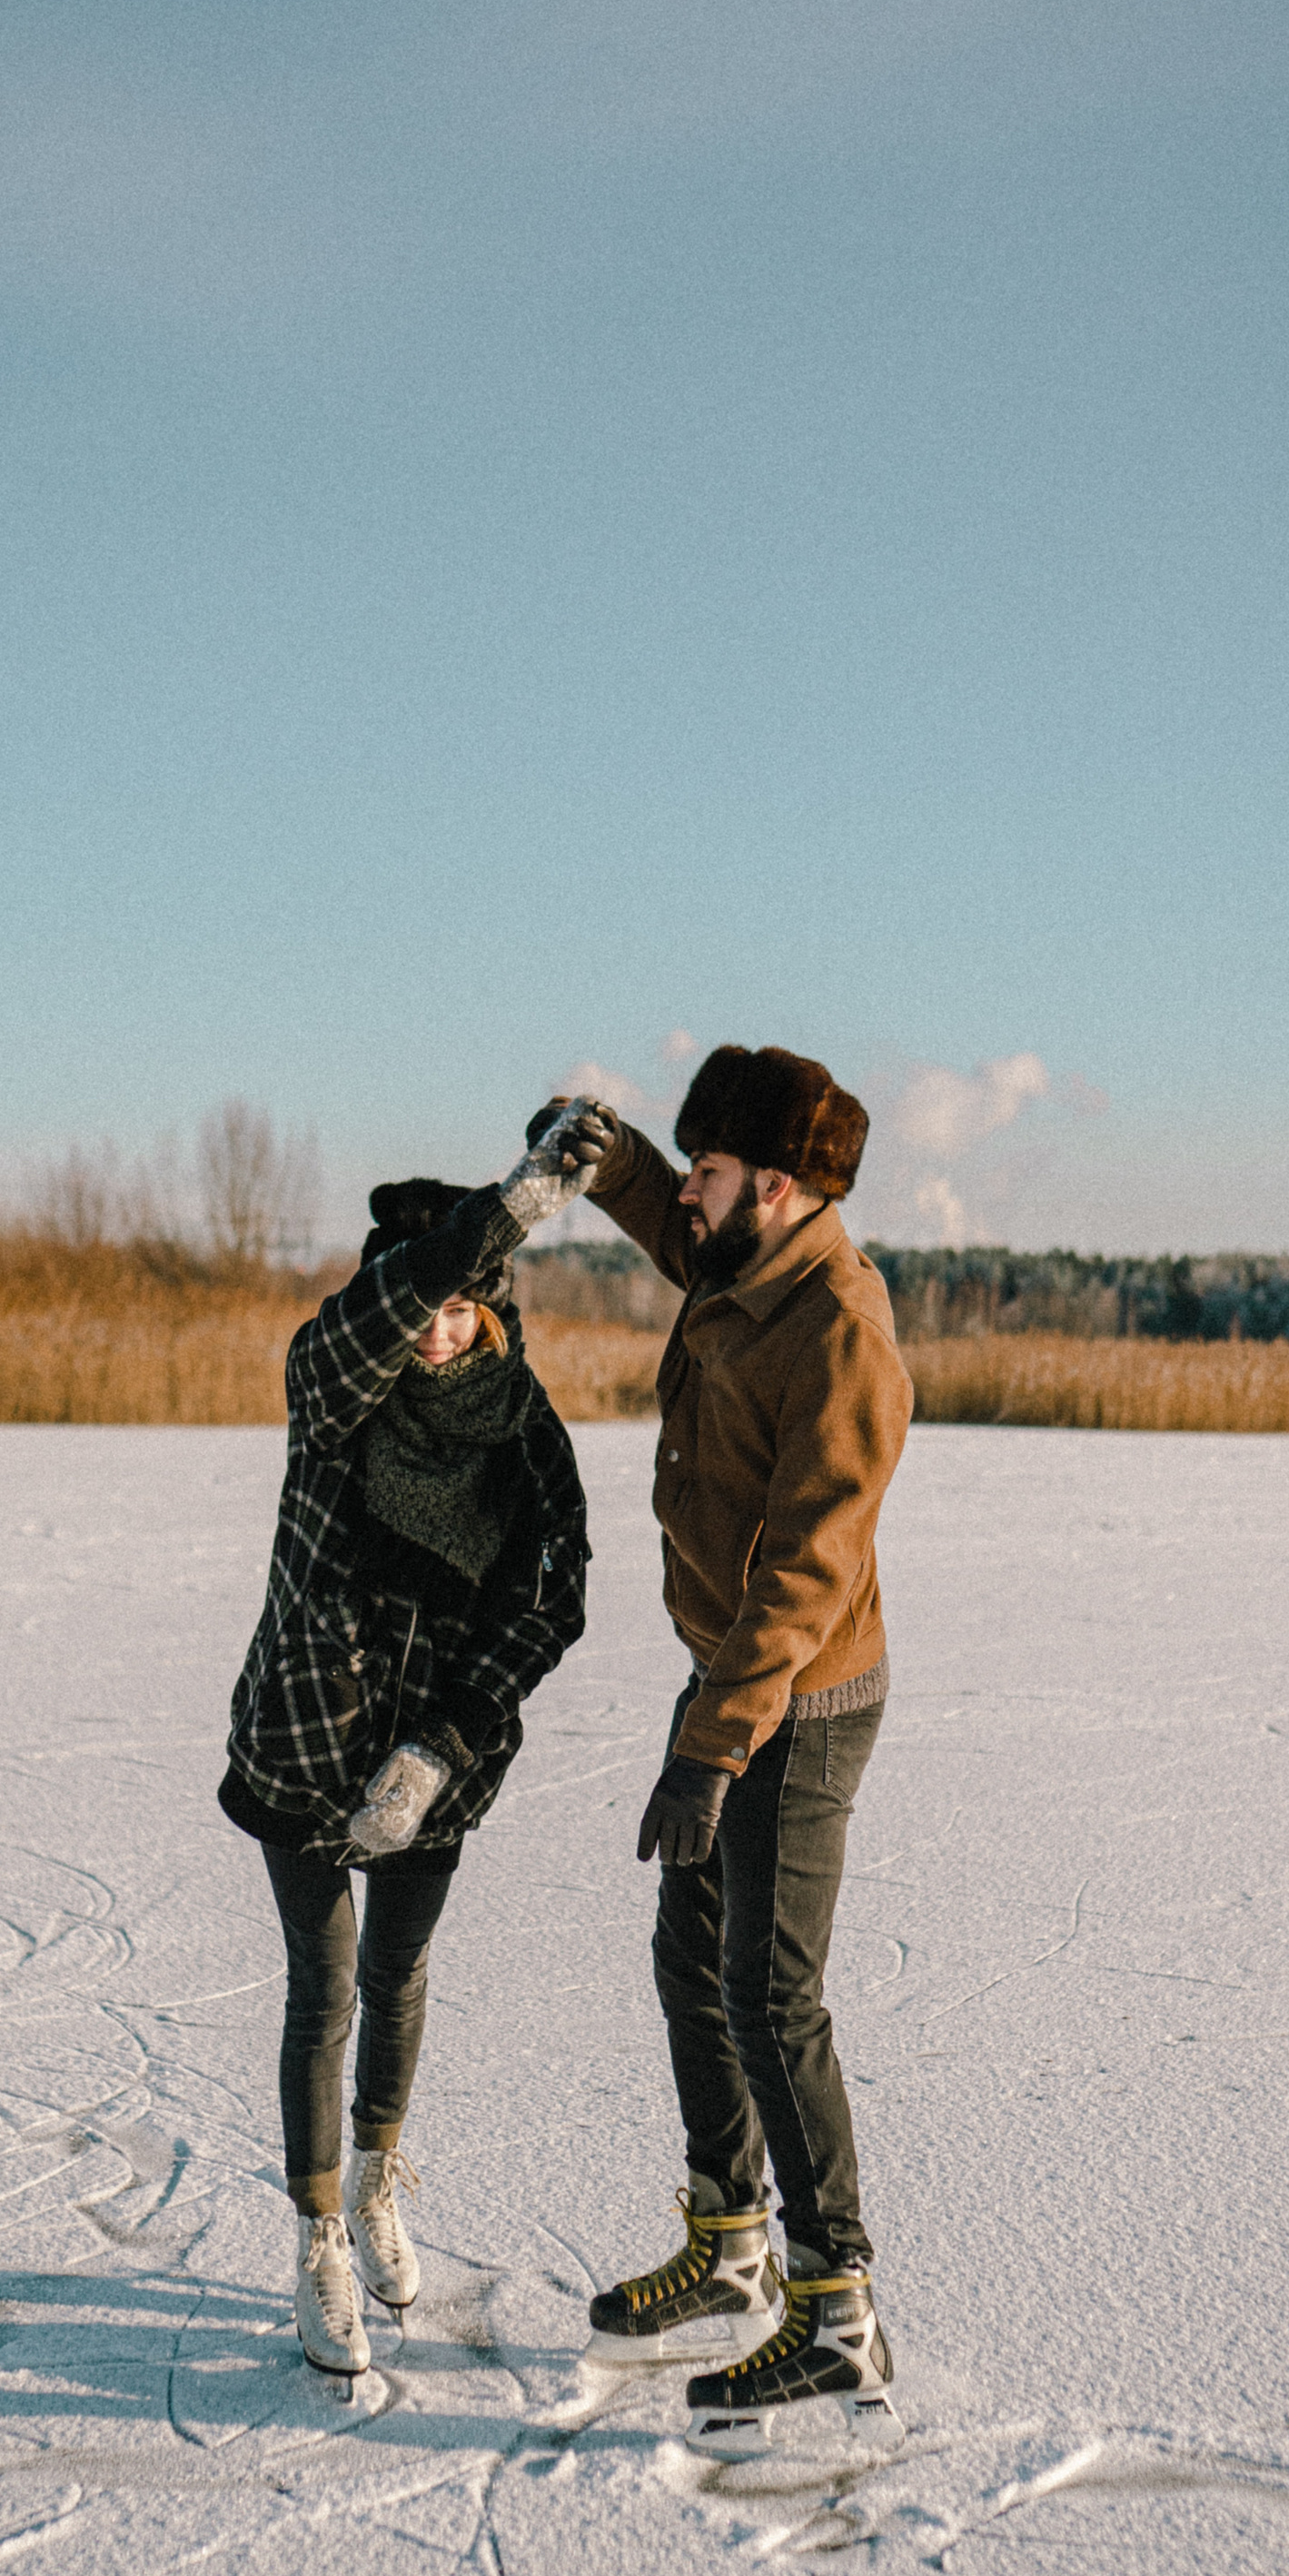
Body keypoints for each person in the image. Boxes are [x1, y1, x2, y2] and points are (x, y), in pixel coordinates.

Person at [534, 1048, 914, 2451]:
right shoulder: (743, 1261)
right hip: (729, 1683)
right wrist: (610, 1156)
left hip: (798, 1706)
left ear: (781, 1183)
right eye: (686, 1170)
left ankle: (839, 2317)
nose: (686, 1196)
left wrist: (715, 1750)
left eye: (706, 1169)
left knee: (772, 1996)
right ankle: (732, 2239)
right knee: (689, 1961)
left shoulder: (839, 1329)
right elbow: (668, 1221)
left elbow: (814, 1569)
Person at [221, 1119, 595, 2377]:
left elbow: (553, 1594)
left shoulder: (526, 1435)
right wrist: (510, 1204)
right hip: (307, 1741)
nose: (437, 1328)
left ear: (495, 1317)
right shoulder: (332, 1393)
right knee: (321, 1992)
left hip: (437, 1759)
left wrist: (442, 1746)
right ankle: (317, 2234)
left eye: (463, 1307)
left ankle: (381, 2178)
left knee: (401, 1980)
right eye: (420, 1302)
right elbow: (364, 1322)